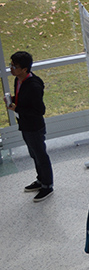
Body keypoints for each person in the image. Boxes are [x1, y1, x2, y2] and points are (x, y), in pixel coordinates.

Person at [7, 51, 54, 202]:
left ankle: (47, 185)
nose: (11, 68)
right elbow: (23, 99)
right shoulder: (18, 80)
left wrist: (17, 109)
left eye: (14, 66)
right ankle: (40, 180)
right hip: (25, 125)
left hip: (34, 127)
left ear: (25, 69)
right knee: (34, 155)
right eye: (11, 65)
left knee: (41, 156)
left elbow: (39, 110)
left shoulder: (33, 85)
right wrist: (14, 100)